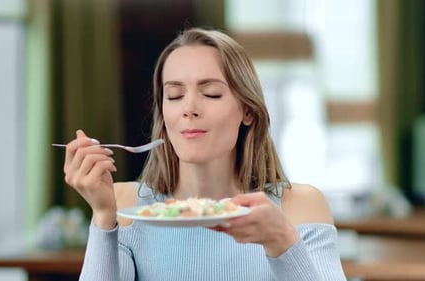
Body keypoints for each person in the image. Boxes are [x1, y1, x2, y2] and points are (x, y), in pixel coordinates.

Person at [62, 27, 346, 280]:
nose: (189, 108)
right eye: (174, 95)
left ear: (247, 110)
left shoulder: (300, 206)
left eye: (210, 93)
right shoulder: (124, 204)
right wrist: (103, 216)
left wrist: (282, 241)